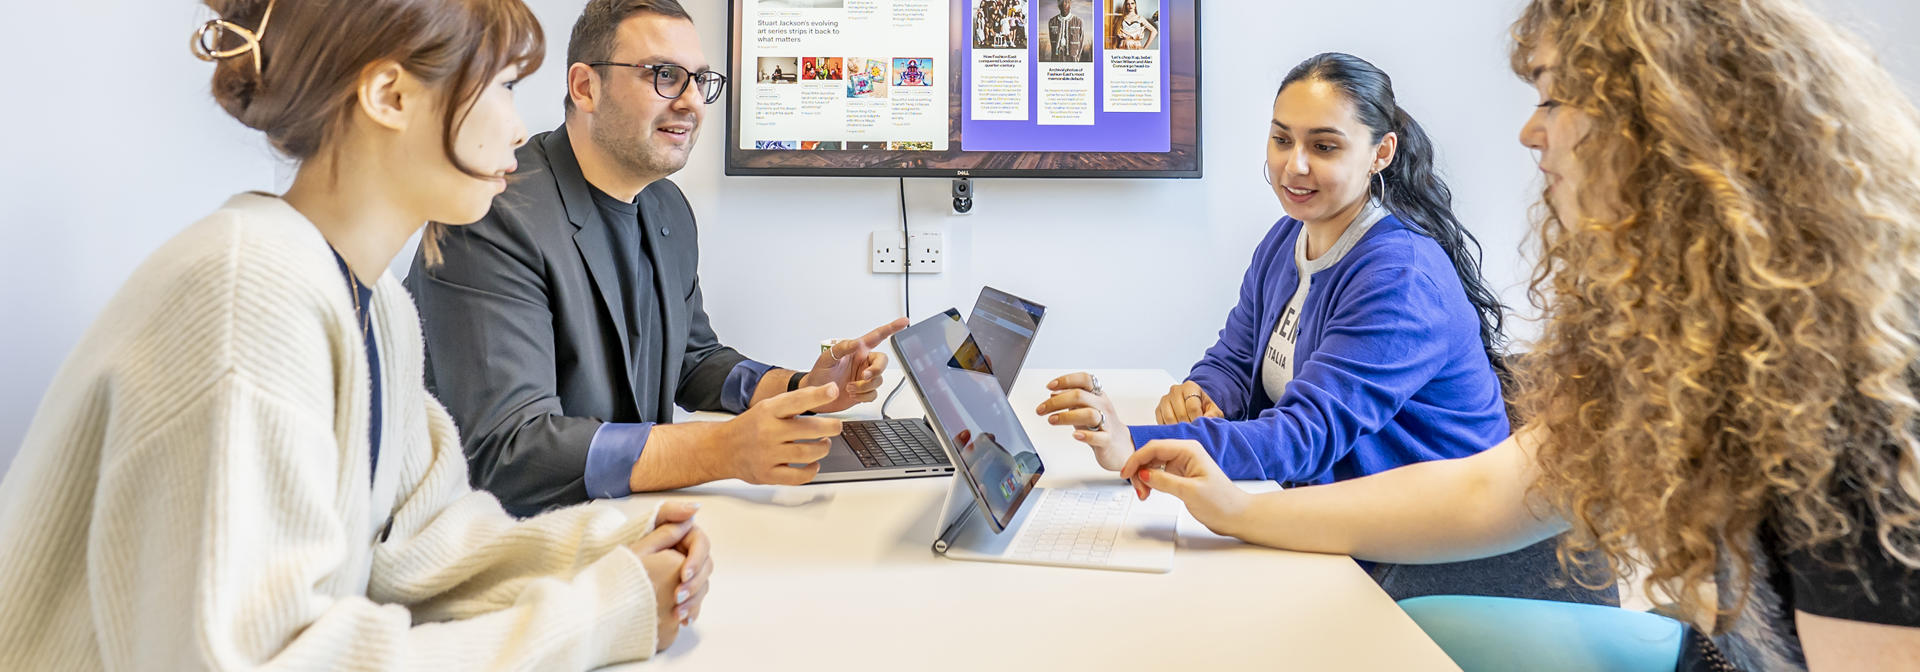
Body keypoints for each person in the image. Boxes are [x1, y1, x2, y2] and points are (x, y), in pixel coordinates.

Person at [1122, 1, 1920, 668]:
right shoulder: (1674, 330)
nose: (1529, 134)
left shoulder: (1860, 387)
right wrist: (1232, 510)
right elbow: (1491, 488)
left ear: (1668, 121)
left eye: (1552, 99)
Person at [0, 0, 714, 668]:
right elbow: (266, 658)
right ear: (389, 97)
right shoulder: (248, 290)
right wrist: (601, 613)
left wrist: (617, 545)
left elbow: (419, 546)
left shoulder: (376, 307)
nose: (519, 128)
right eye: (499, 86)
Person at [1037, 52, 1604, 604]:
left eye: (1323, 146)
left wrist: (1131, 443)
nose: (1294, 165)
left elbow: (1303, 437)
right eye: (1282, 139)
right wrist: (1204, 393)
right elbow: (1236, 356)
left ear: (1381, 153)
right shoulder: (1288, 238)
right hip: (1340, 522)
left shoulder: (1398, 276)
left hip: (1435, 565)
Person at [407, 0, 907, 517]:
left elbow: (693, 360)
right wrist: (721, 449)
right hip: (511, 544)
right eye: (664, 75)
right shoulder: (491, 217)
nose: (691, 101)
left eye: (700, 80)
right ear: (585, 88)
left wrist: (805, 385)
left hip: (626, 522)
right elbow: (512, 452)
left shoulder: (666, 208)